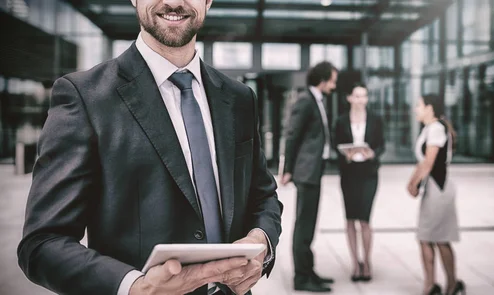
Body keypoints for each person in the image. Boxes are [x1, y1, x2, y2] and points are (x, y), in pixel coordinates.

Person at [17, 1, 283, 294]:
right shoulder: (85, 97)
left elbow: (263, 195)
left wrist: (261, 240)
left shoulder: (239, 97)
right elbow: (42, 243)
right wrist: (133, 287)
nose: (175, 2)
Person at [280, 61, 337, 293]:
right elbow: (292, 134)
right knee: (304, 225)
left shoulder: (317, 100)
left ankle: (309, 271)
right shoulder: (305, 100)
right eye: (332, 80)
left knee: (309, 224)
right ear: (322, 80)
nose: (334, 85)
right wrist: (287, 169)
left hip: (313, 170)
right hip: (306, 171)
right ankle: (301, 278)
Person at [407, 94, 465, 295]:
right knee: (429, 237)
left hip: (439, 190)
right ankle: (434, 285)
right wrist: (414, 182)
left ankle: (447, 285)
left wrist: (412, 184)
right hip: (433, 189)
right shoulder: (430, 129)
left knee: (437, 238)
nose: (416, 109)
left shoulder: (437, 129)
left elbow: (428, 163)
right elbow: (422, 162)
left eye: (419, 105)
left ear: (429, 108)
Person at [333, 82, 384, 283]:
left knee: (365, 219)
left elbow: (382, 145)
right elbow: (336, 145)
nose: (361, 99)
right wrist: (346, 154)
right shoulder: (341, 121)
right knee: (350, 219)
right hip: (349, 173)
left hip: (369, 173)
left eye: (364, 96)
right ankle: (355, 263)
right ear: (350, 98)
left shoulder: (376, 119)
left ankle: (367, 262)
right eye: (357, 96)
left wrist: (372, 153)